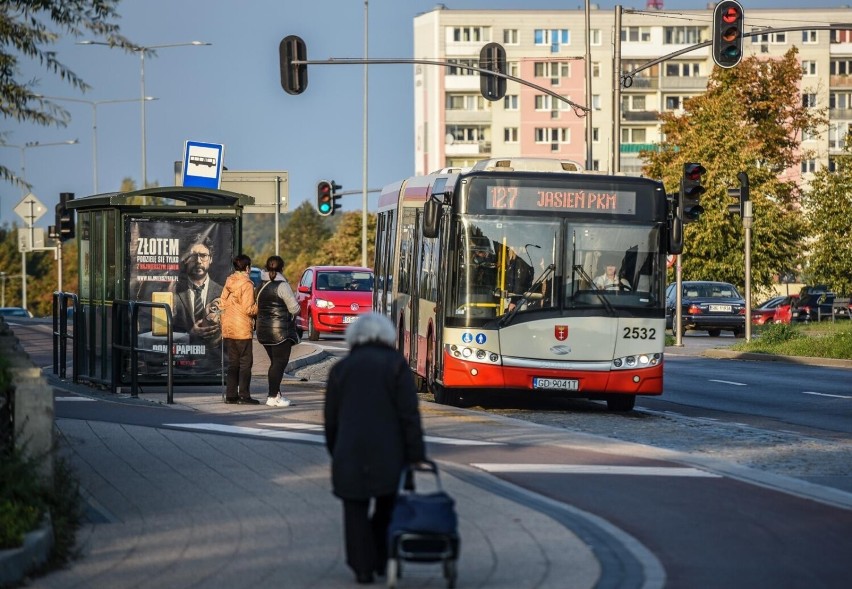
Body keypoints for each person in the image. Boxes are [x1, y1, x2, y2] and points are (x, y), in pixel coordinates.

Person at [324, 313, 426, 585]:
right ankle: (381, 559)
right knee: (387, 506)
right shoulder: (396, 366)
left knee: (354, 510)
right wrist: (416, 455)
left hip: (349, 451)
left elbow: (330, 420)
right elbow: (409, 415)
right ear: (386, 336)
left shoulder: (340, 370)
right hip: (389, 454)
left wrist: (336, 451)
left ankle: (362, 568)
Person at [255, 255, 300, 408]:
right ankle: (272, 396)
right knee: (279, 364)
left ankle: (276, 395)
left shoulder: (261, 284)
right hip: (281, 331)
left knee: (275, 363)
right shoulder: (283, 285)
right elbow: (294, 308)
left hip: (263, 330)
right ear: (282, 268)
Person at [219, 254, 259, 405]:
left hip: (228, 327)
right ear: (247, 268)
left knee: (233, 363)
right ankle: (244, 395)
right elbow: (249, 309)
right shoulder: (247, 284)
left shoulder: (229, 281)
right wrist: (259, 306)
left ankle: (231, 395)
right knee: (245, 364)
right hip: (242, 328)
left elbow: (222, 303)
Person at [172, 234, 223, 344]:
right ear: (185, 259)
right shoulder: (173, 292)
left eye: (203, 255)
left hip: (214, 356)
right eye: (193, 256)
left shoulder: (223, 292)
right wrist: (190, 336)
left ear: (211, 259)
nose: (198, 261)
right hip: (181, 355)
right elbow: (165, 331)